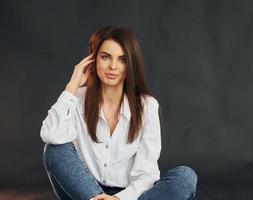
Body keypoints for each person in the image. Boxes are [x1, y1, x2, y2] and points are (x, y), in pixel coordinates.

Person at [40, 25, 198, 200]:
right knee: (54, 149)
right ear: (93, 60)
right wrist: (72, 86)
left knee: (185, 177)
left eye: (122, 59)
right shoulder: (75, 99)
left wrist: (118, 199)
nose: (113, 66)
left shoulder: (147, 106)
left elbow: (147, 173)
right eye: (106, 57)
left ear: (131, 64)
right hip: (86, 193)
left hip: (129, 195)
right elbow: (50, 135)